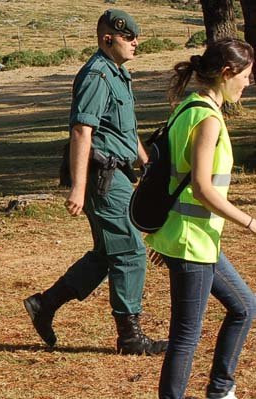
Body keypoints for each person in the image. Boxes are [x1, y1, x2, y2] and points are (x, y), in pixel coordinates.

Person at [23, 9, 167, 355]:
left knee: (107, 252)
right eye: (129, 38)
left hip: (118, 172)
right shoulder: (97, 75)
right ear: (108, 39)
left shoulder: (118, 74)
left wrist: (146, 163)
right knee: (130, 249)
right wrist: (77, 184)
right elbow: (81, 130)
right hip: (101, 176)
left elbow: (124, 129)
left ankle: (46, 304)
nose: (136, 43)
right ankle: (130, 336)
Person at [147, 38, 256, 399]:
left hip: (194, 239)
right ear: (227, 73)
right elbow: (202, 188)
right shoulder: (207, 119)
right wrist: (251, 223)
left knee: (244, 306)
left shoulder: (188, 107)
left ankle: (221, 389)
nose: (248, 83)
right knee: (186, 336)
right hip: (192, 241)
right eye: (246, 75)